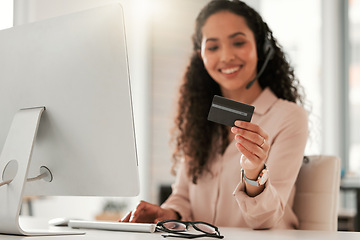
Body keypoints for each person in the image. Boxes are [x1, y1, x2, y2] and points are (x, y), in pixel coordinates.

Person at [121, 0, 308, 229]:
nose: (226, 56)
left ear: (261, 47)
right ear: (201, 56)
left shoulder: (288, 117)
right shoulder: (198, 118)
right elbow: (182, 199)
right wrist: (165, 213)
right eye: (213, 47)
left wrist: (253, 173)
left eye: (238, 42)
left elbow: (266, 220)